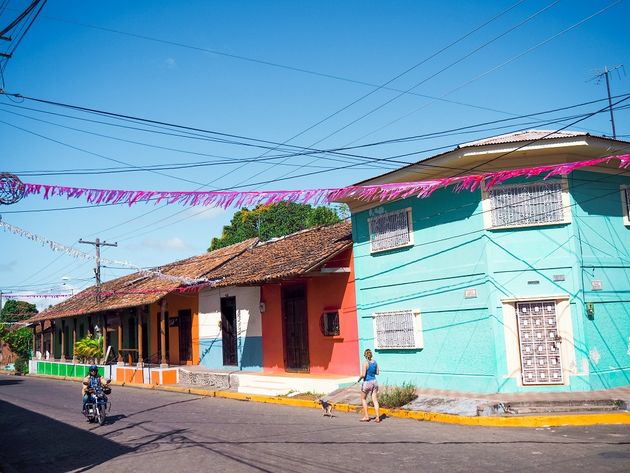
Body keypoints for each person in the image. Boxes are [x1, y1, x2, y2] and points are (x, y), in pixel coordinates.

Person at [358, 348, 380, 422]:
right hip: (374, 382)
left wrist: (359, 379)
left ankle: (366, 416)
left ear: (365, 355)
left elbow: (363, 375)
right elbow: (377, 373)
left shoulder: (365, 363)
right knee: (375, 400)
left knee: (363, 398)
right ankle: (377, 417)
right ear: (371, 355)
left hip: (367, 382)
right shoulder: (375, 362)